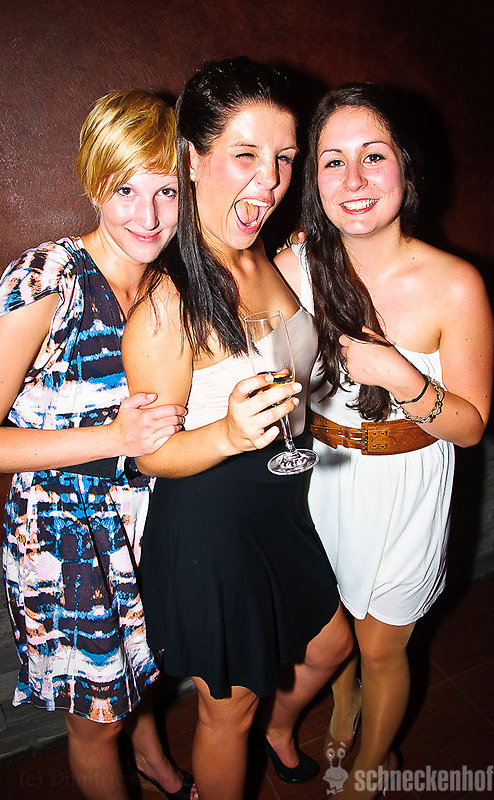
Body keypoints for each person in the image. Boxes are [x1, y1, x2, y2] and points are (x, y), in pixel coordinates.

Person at [122, 57, 353, 800]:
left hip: (280, 506)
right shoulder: (167, 304)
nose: (269, 181)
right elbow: (150, 457)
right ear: (192, 159)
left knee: (331, 646)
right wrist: (225, 433)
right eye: (245, 155)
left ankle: (281, 733)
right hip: (212, 527)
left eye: (283, 158)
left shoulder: (263, 256)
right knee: (230, 711)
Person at [275, 82, 494, 798]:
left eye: (373, 156)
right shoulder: (293, 270)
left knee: (381, 645)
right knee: (333, 629)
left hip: (407, 487)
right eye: (332, 162)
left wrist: (400, 374)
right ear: (313, 181)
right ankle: (342, 703)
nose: (354, 179)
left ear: (405, 164)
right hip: (324, 478)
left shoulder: (454, 284)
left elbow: (470, 426)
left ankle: (370, 766)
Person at [0, 90, 196, 800]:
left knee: (140, 675)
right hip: (64, 535)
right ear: (91, 184)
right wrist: (113, 436)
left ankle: (155, 763)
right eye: (125, 190)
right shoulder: (50, 279)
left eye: (166, 190)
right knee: (95, 726)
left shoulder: (169, 282)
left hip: (144, 520)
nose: (148, 216)